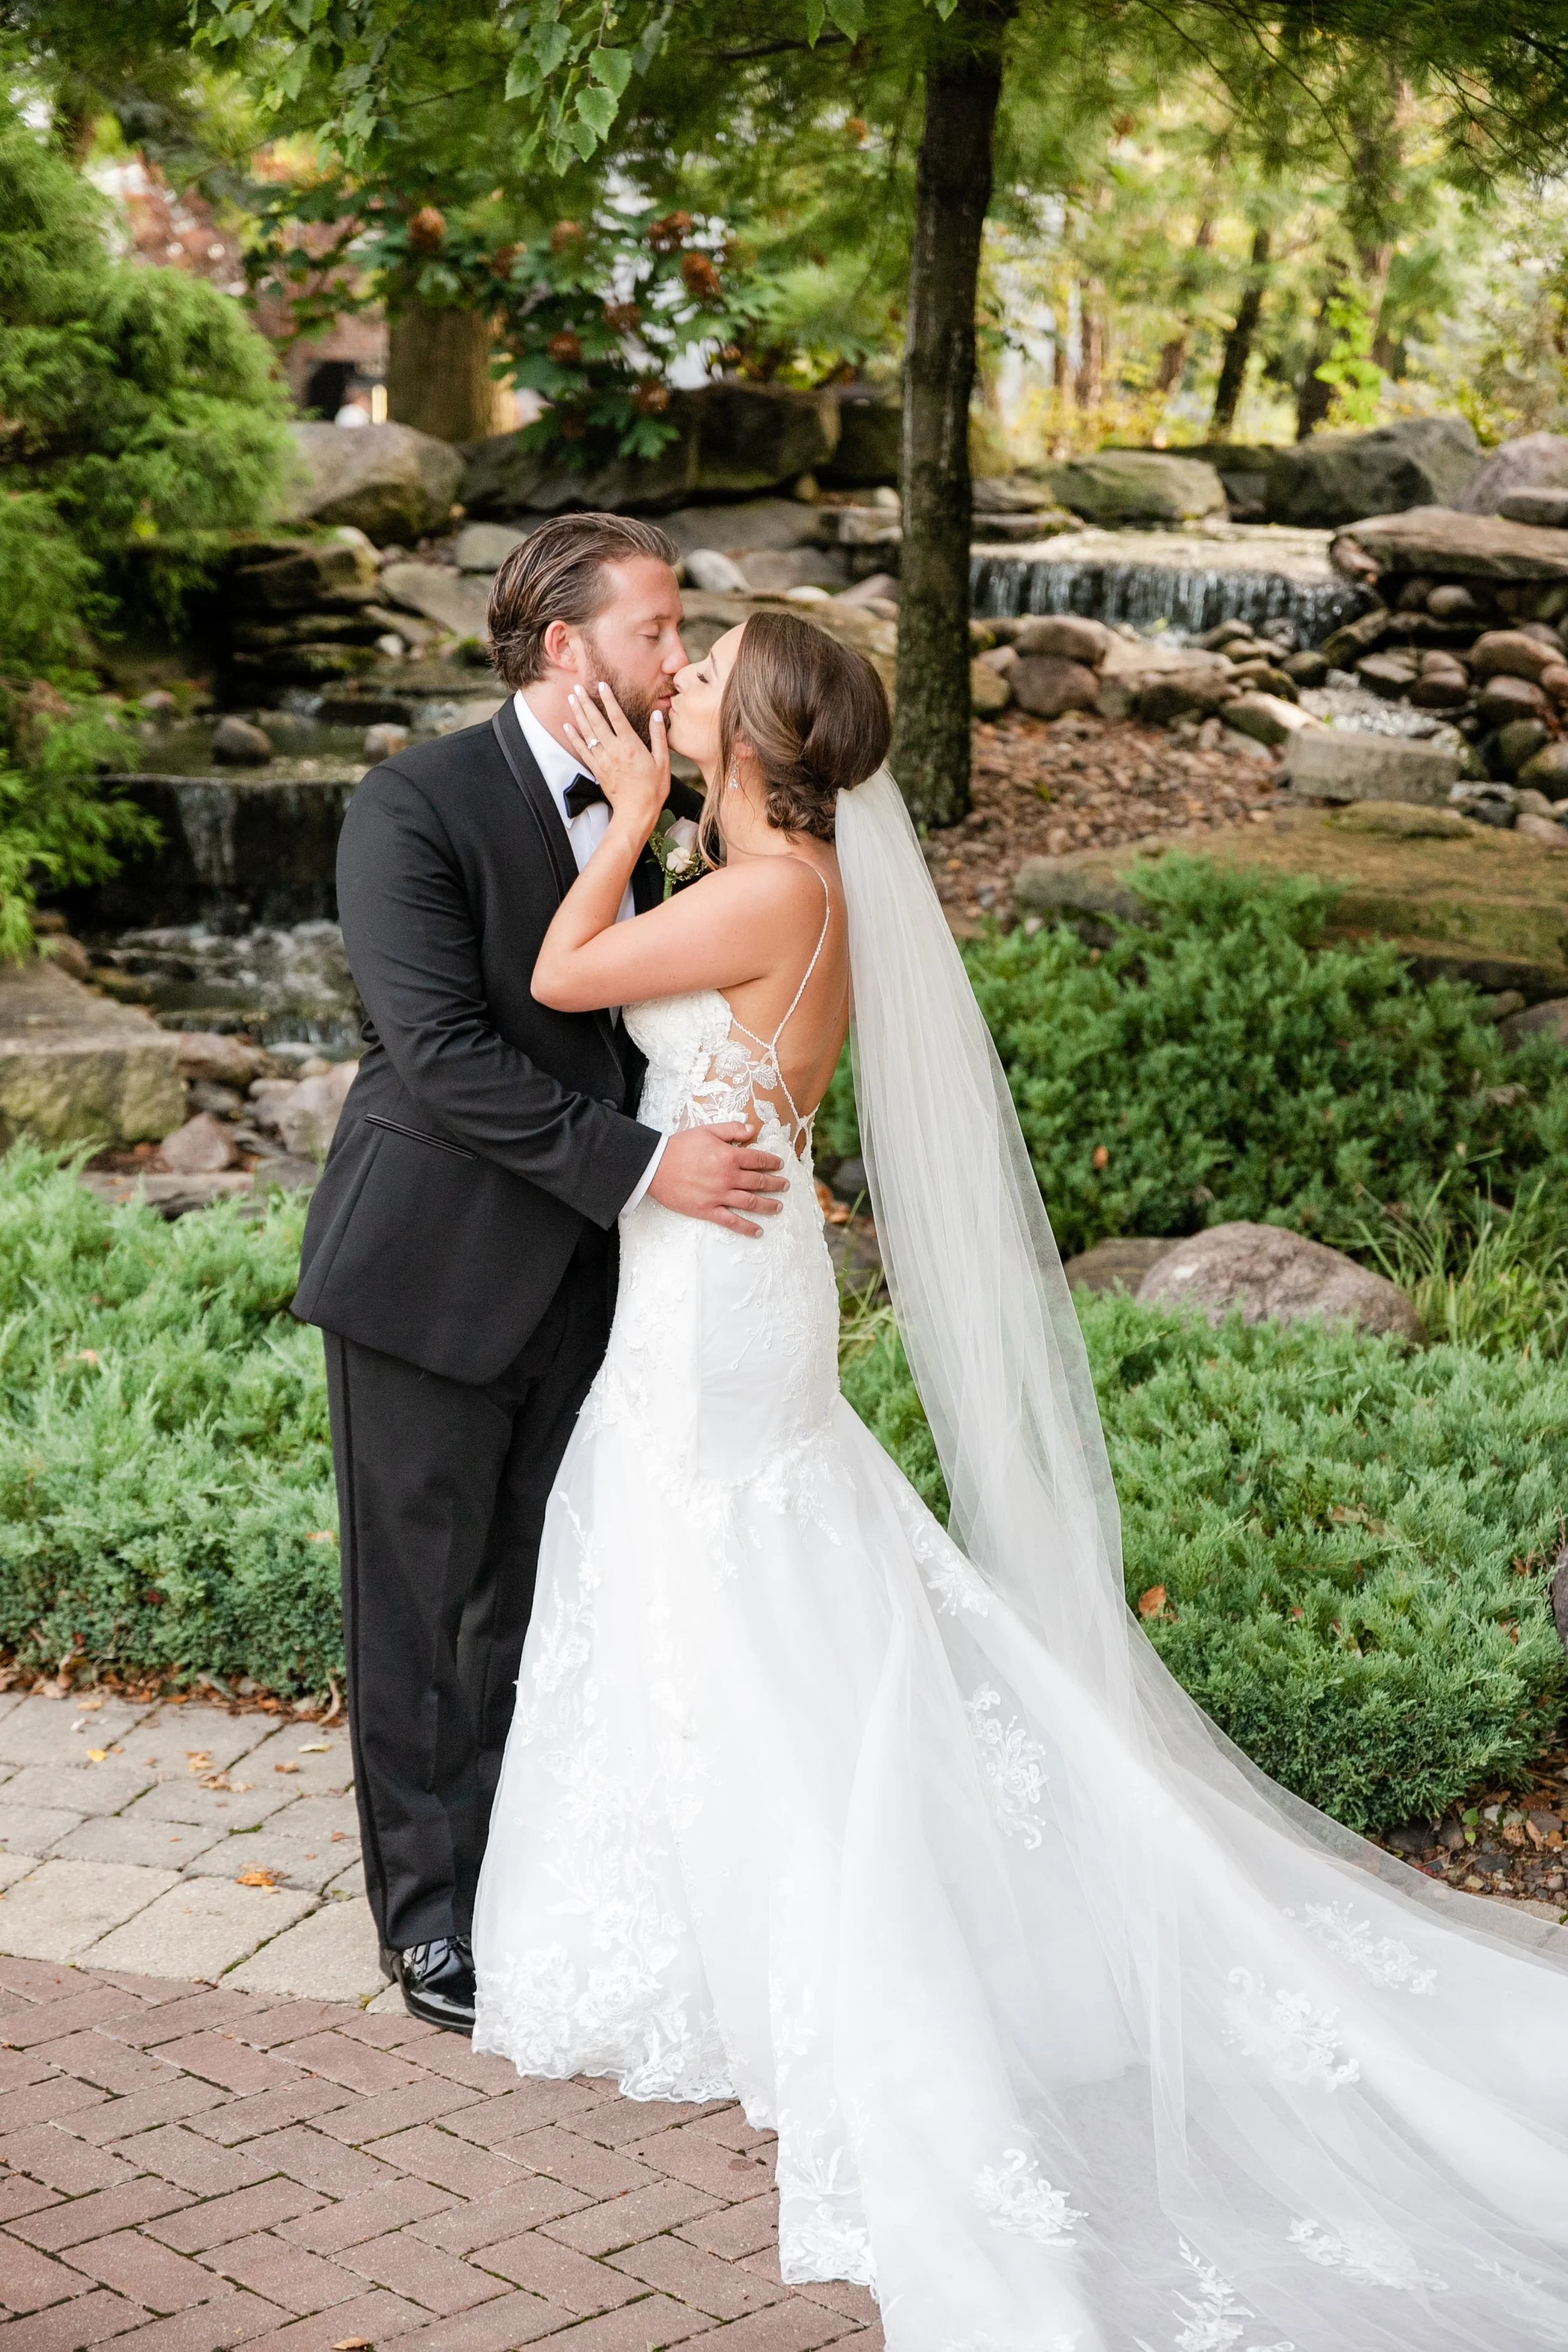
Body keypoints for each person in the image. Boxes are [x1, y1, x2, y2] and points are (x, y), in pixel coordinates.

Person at [473, 606, 1568, 2349]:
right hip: (726, 1274)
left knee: (725, 1573)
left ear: (755, 732)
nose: (664, 690)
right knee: (743, 1571)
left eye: (696, 677)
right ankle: (728, 1907)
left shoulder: (766, 889)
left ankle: (804, 1931)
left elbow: (559, 978)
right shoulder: (783, 873)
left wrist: (611, 817)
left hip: (717, 1302)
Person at [292, 514, 789, 2029]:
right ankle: (429, 1921)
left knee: (533, 1592)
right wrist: (647, 1168)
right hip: (430, 1272)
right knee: (419, 1611)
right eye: (655, 629)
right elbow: (435, 1056)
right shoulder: (413, 806)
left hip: (610, 1283)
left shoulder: (691, 815)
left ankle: (527, 1882)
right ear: (566, 647)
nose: (677, 655)